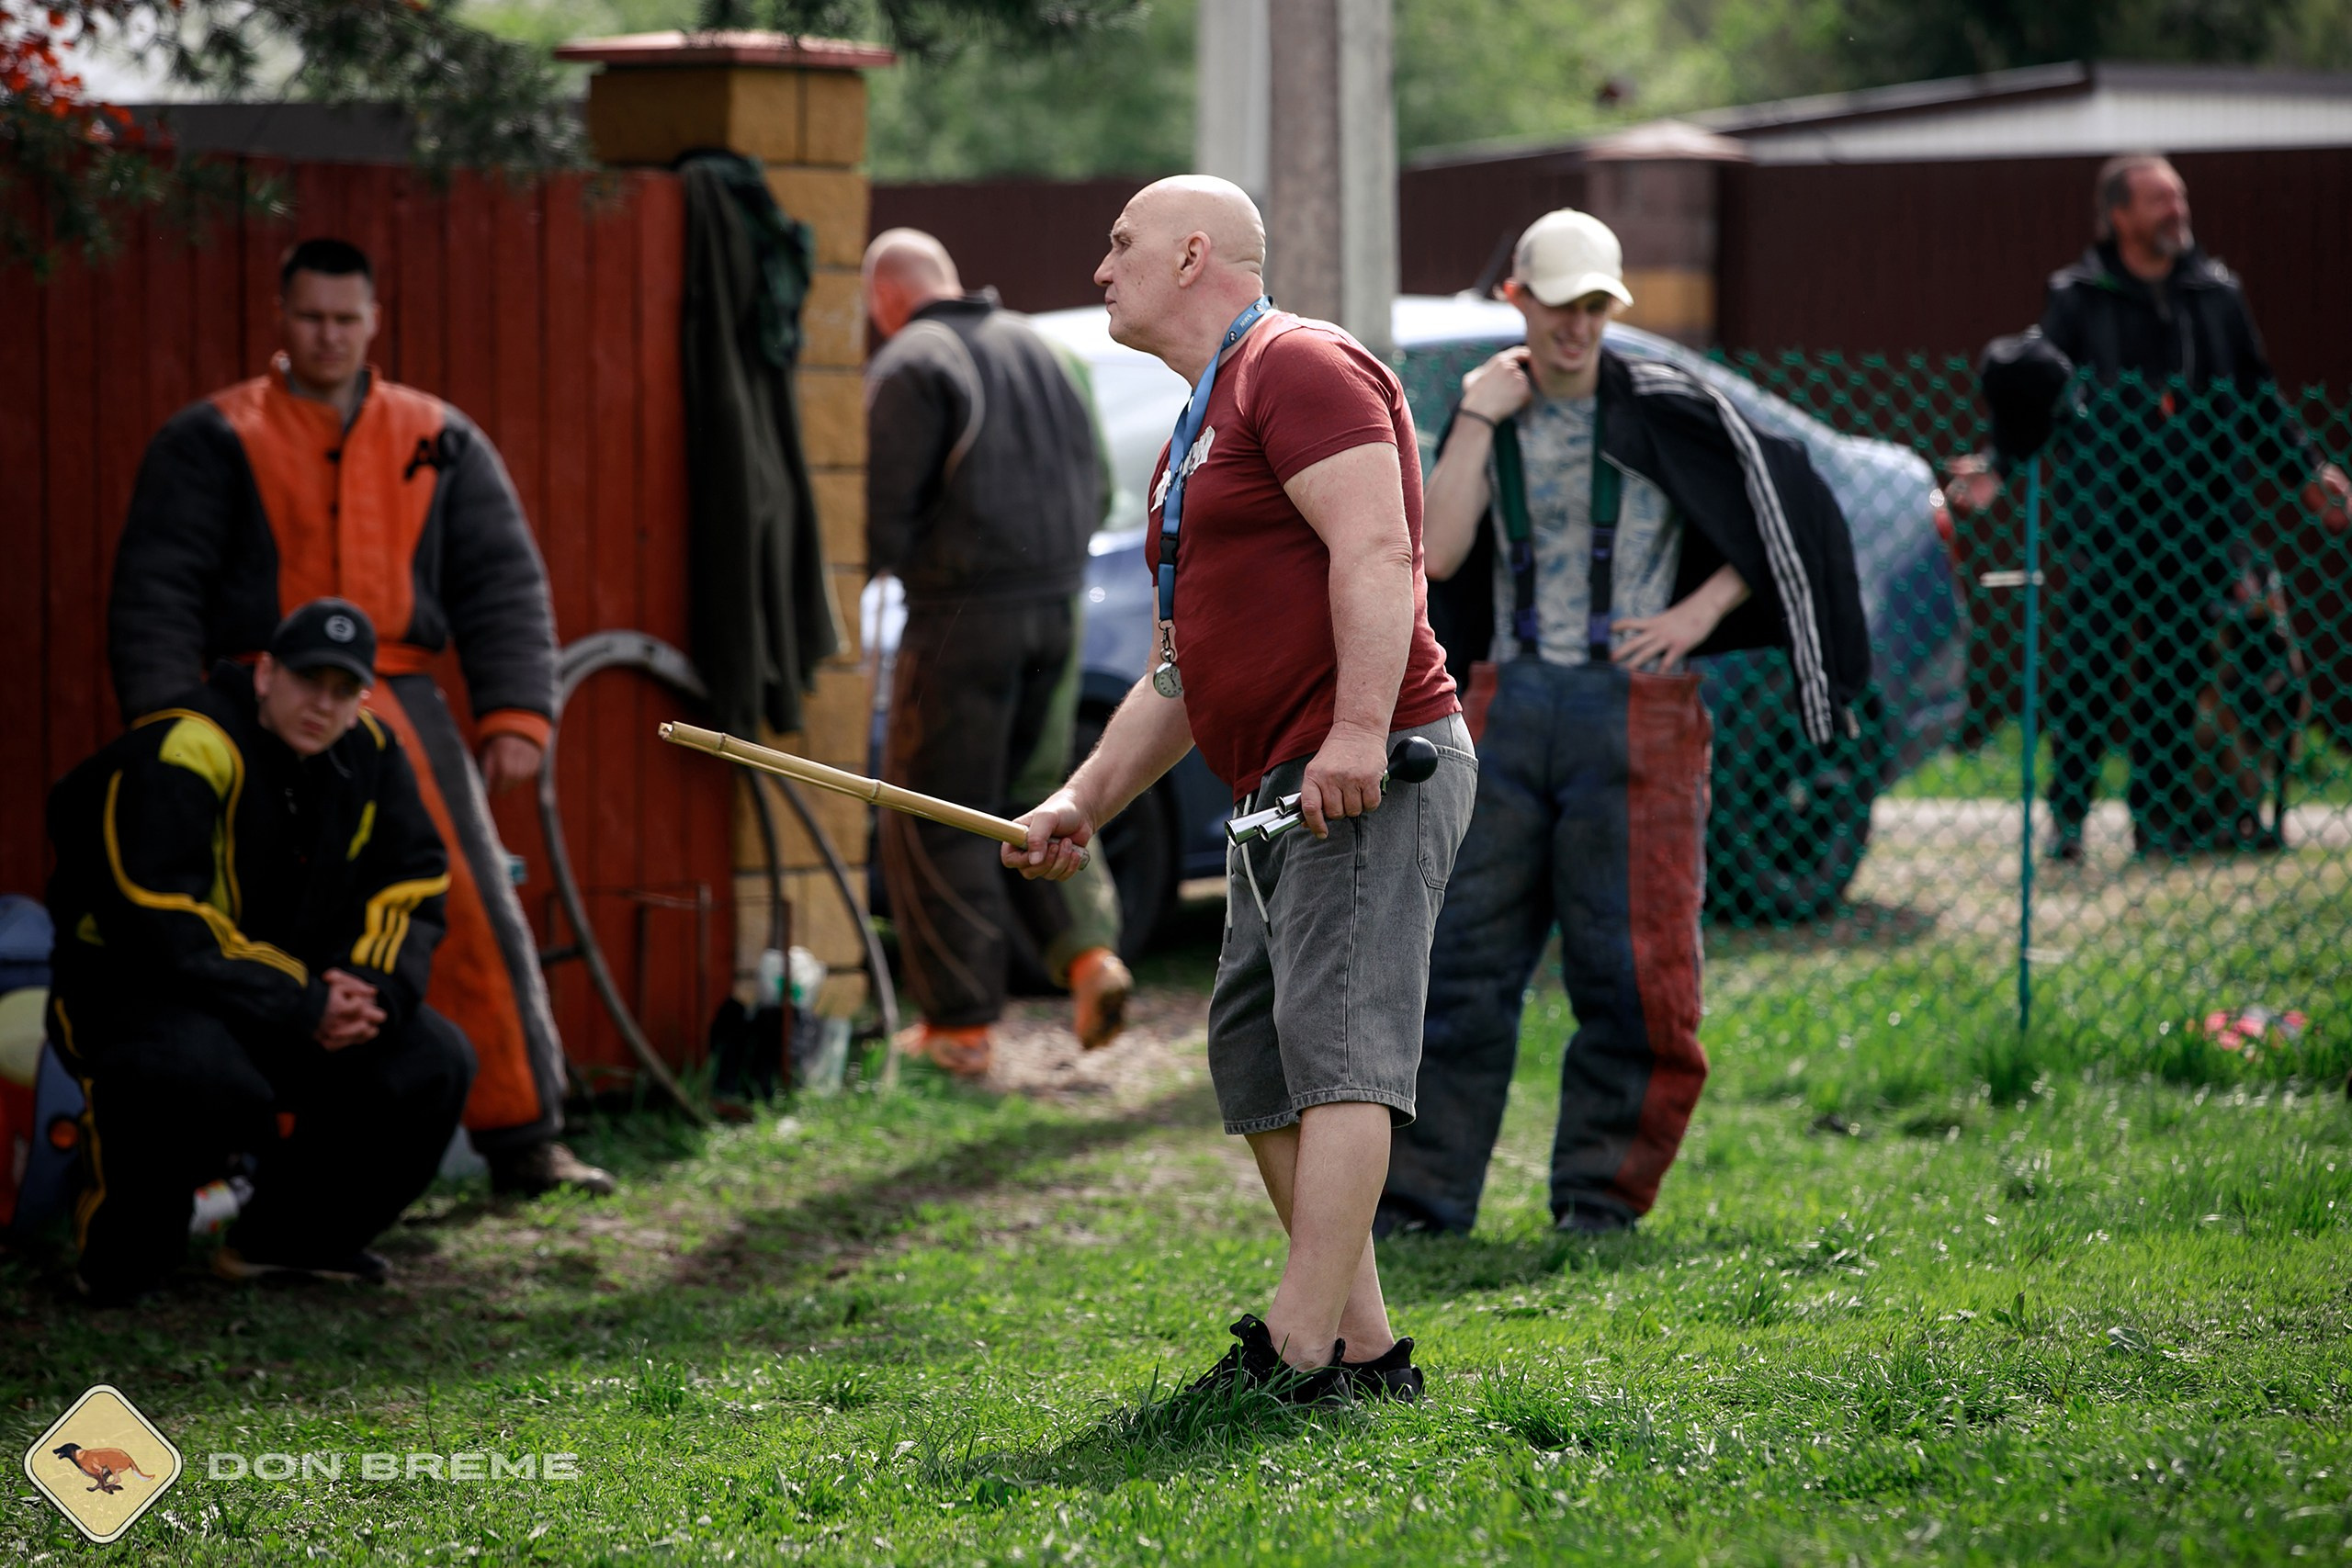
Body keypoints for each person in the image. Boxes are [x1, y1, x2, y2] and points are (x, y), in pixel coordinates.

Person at [1007, 176, 1476, 1401]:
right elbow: (1178, 670)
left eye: (1120, 245)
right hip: (1282, 779)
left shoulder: (1300, 366)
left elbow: (1381, 550)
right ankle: (1364, 1349)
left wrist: (1360, 730)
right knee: (1261, 1053)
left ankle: (1295, 1350)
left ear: (1192, 254)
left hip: (1368, 765)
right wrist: (1084, 802)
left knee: (1342, 1053)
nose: (1101, 268)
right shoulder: (1193, 429)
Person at [1379, 209, 1869, 1239]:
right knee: (1460, 968)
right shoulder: (1482, 413)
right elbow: (1443, 557)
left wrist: (1696, 613)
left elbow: (1791, 507)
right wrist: (1473, 416)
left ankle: (1600, 1202)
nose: (1576, 329)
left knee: (1636, 970)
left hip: (1638, 717)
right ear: (1519, 301)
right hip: (1502, 713)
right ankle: (1421, 1207)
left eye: (1595, 308)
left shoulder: (1669, 407)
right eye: (1558, 306)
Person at [107, 238, 612, 1198]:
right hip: (249, 711)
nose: (328, 335)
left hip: (404, 706)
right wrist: (171, 728)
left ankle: (524, 1136)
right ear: (280, 317)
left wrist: (516, 713)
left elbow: (502, 579)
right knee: (233, 914)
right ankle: (228, 1164)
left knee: (468, 905)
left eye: (346, 318)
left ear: (374, 320)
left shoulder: (438, 436)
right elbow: (156, 589)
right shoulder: (212, 436)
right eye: (310, 318)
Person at [46, 601, 475, 1303]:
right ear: (266, 671)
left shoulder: (371, 747)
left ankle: (289, 1242)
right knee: (195, 1076)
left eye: (344, 690)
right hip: (136, 992)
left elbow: (414, 878)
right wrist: (305, 999)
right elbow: (159, 918)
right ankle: (120, 1254)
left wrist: (367, 989)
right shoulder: (187, 743)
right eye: (310, 680)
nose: (324, 704)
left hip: (288, 1000)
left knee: (434, 1061)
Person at [1949, 154, 2351, 859]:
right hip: (2106, 525)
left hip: (2199, 527)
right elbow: (2038, 391)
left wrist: (2310, 475)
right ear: (2118, 216)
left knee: (2177, 678)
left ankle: (2159, 821)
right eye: (2159, 201)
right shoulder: (2079, 296)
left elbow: (2260, 400)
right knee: (2087, 676)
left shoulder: (2217, 295)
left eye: (2179, 199)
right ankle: (2068, 820)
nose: (2176, 212)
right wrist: (1998, 466)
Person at [864, 228, 1133, 1077]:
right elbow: (1100, 487)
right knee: (1036, 800)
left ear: (886, 300)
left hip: (960, 619)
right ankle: (1091, 957)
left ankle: (960, 1029)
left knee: (934, 810)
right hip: (1061, 609)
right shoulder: (1054, 351)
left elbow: (878, 517)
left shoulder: (916, 362)